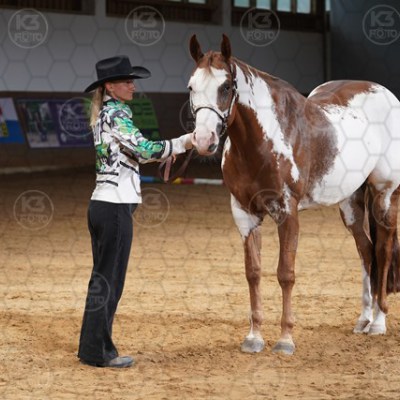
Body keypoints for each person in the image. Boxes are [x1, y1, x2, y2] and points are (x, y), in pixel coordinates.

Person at [78, 55, 193, 368]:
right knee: (111, 281)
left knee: (102, 280)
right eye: (127, 81)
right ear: (110, 86)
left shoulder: (104, 114)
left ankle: (91, 348)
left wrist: (164, 152)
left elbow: (135, 152)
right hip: (114, 207)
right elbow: (144, 149)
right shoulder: (116, 113)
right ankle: (99, 352)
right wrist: (184, 141)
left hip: (102, 205)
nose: (133, 86)